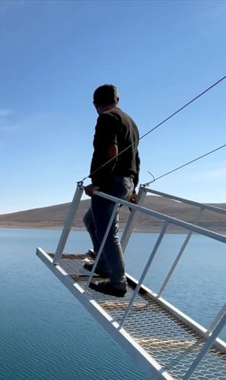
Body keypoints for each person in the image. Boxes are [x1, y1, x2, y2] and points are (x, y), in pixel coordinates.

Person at [82, 84, 140, 297]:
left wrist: (99, 182)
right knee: (91, 221)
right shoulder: (130, 122)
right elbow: (136, 158)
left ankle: (117, 283)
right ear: (117, 100)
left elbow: (110, 150)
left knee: (108, 234)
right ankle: (104, 264)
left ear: (95, 104)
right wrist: (133, 188)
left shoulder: (106, 118)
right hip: (126, 182)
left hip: (112, 182)